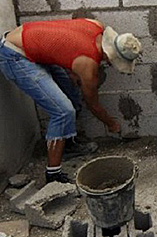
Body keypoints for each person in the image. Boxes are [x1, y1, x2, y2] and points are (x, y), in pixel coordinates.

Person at [0, 18, 142, 183]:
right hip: (15, 56)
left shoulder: (96, 25)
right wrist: (112, 124)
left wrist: (73, 68)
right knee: (63, 111)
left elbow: (66, 42)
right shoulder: (88, 65)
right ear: (110, 57)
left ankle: (68, 145)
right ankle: (53, 174)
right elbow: (93, 105)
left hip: (28, 43)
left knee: (73, 96)